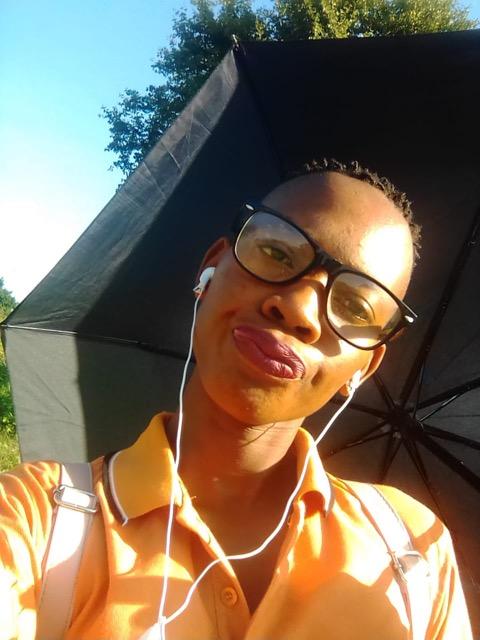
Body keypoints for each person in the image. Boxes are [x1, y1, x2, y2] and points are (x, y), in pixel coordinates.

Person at [0, 160, 472, 639]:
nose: (298, 308)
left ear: (364, 367)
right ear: (210, 269)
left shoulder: (412, 555)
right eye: (278, 253)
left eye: (355, 305)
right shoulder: (35, 520)